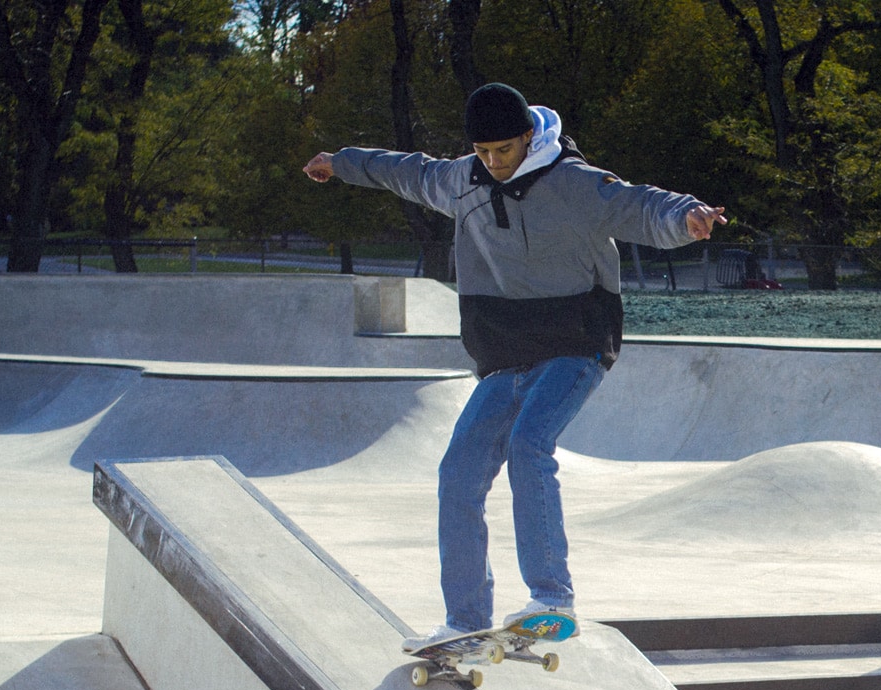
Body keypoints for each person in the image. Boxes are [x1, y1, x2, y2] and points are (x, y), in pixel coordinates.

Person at [304, 83, 725, 658]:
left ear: (529, 136)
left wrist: (687, 219)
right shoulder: (462, 181)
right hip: (504, 352)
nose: (495, 162)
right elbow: (406, 171)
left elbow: (641, 204)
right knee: (458, 473)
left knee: (530, 442)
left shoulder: (575, 182)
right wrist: (342, 163)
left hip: (576, 342)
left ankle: (552, 598)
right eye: (484, 152)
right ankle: (465, 622)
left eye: (505, 149)